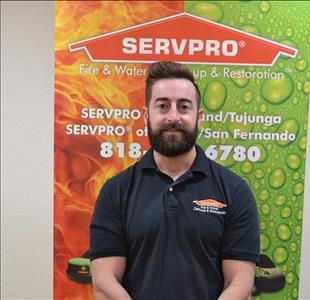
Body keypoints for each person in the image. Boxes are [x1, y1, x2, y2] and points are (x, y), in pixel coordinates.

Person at [90, 61, 260, 300]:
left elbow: (240, 283)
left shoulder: (234, 190)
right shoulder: (115, 191)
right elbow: (104, 280)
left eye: (183, 107)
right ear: (146, 114)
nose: (173, 116)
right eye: (162, 106)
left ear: (198, 116)